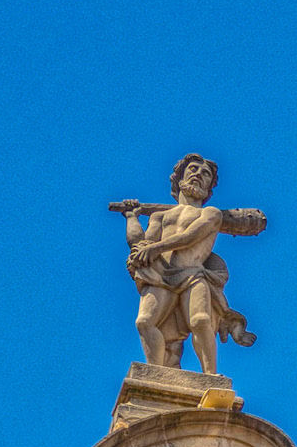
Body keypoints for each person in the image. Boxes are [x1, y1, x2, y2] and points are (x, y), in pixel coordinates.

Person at [110, 154, 266, 373]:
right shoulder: (159, 216)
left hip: (193, 273)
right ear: (179, 178)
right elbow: (140, 245)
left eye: (206, 175)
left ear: (209, 188)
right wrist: (131, 217)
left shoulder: (211, 214)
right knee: (144, 322)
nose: (198, 176)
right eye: (193, 170)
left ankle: (211, 376)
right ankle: (157, 376)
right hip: (161, 274)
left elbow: (191, 236)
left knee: (201, 320)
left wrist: (156, 248)